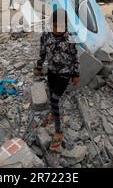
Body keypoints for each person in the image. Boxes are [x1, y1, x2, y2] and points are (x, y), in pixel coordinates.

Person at [34, 9, 80, 152]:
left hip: (65, 72)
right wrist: (39, 66)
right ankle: (54, 114)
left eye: (61, 26)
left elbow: (75, 57)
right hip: (52, 71)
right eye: (55, 26)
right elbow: (42, 52)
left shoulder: (70, 38)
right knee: (51, 93)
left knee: (55, 99)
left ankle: (59, 130)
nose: (57, 30)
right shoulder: (46, 36)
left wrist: (76, 74)